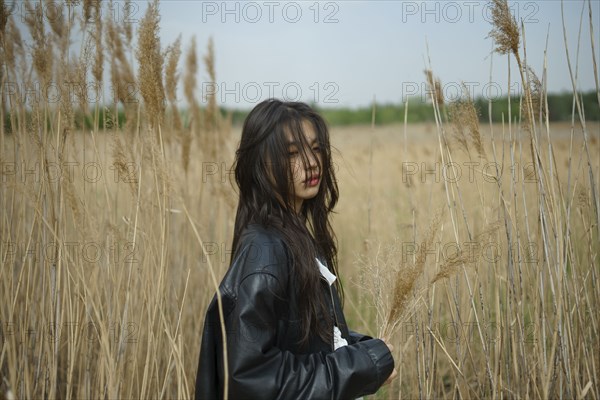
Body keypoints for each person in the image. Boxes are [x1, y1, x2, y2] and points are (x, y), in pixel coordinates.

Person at [195, 99, 397, 400]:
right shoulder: (265, 249)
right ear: (260, 164)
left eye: (315, 148)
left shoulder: (293, 236)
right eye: (292, 153)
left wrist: (366, 351)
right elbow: (252, 378)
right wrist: (363, 364)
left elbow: (303, 343)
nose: (311, 162)